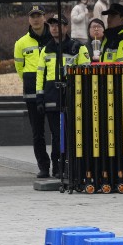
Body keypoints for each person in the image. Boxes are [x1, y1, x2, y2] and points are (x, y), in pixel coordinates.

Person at [35, 15, 90, 178]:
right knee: (57, 134)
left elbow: (86, 74)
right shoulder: (46, 49)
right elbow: (40, 75)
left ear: (66, 28)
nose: (53, 28)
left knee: (72, 133)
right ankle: (58, 167)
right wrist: (40, 98)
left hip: (73, 96)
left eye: (58, 25)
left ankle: (72, 166)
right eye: (51, 25)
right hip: (52, 97)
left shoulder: (78, 48)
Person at [14, 5, 52, 179]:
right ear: (29, 19)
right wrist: (32, 82)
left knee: (57, 131)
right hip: (31, 94)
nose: (36, 19)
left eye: (39, 15)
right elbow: (19, 68)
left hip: (52, 91)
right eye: (32, 16)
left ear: (44, 17)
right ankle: (43, 167)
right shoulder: (21, 43)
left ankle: (59, 166)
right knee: (38, 133)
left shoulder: (54, 39)